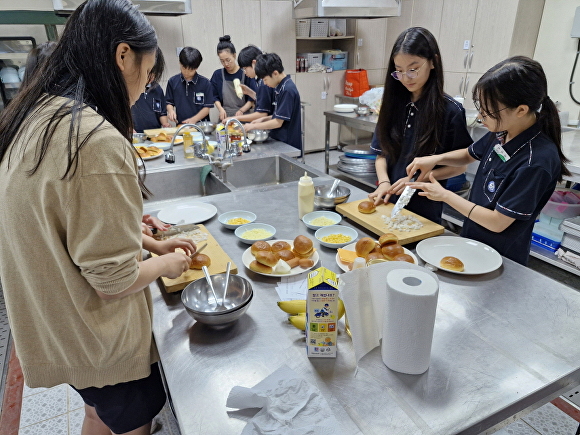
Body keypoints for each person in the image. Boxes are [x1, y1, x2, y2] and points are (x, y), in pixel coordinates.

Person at [0, 1, 197, 434]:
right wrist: (167, 263)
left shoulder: (39, 114)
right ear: (123, 55)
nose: (144, 90)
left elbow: (71, 223)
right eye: (146, 76)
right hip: (94, 335)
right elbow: (112, 282)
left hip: (54, 324)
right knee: (130, 423)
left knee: (97, 412)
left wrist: (151, 243)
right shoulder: (93, 141)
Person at [407, 56, 570, 265]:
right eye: (481, 107)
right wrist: (435, 159)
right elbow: (469, 154)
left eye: (489, 110)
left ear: (521, 110)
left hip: (501, 257)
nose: (482, 116)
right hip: (473, 242)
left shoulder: (536, 161)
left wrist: (445, 196)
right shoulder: (503, 130)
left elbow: (498, 222)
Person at [367, 27, 472, 223]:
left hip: (424, 210)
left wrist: (416, 180)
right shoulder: (392, 104)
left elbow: (459, 168)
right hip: (387, 203)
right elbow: (381, 155)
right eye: (399, 71)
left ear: (433, 61)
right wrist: (384, 183)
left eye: (413, 69)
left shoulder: (451, 111)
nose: (406, 78)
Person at [245, 53, 302, 153]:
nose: (265, 83)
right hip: (280, 140)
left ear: (275, 73)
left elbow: (278, 122)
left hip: (288, 144)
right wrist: (263, 119)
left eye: (265, 79)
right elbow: (280, 115)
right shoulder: (280, 87)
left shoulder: (287, 90)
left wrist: (253, 126)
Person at [210, 35, 257, 121]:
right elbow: (214, 95)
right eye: (222, 61)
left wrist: (241, 111)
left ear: (234, 55)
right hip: (225, 117)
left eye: (228, 60)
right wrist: (221, 109)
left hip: (244, 116)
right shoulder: (218, 74)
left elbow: (252, 98)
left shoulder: (246, 73)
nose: (225, 64)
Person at [225, 44, 275, 123]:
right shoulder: (259, 80)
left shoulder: (264, 82)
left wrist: (235, 118)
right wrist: (249, 92)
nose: (244, 72)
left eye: (245, 69)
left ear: (254, 63)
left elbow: (262, 114)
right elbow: (264, 100)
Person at [166, 46, 214, 125]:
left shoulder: (205, 83)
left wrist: (194, 120)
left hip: (200, 128)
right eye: (184, 68)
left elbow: (207, 108)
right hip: (181, 127)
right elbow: (169, 102)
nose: (186, 72)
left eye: (191, 70)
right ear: (180, 63)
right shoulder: (172, 82)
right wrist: (171, 111)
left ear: (197, 68)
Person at [132, 48, 170, 132]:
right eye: (148, 73)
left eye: (154, 75)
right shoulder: (131, 88)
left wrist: (165, 124)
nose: (151, 78)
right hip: (137, 134)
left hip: (155, 133)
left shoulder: (157, 88)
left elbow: (162, 112)